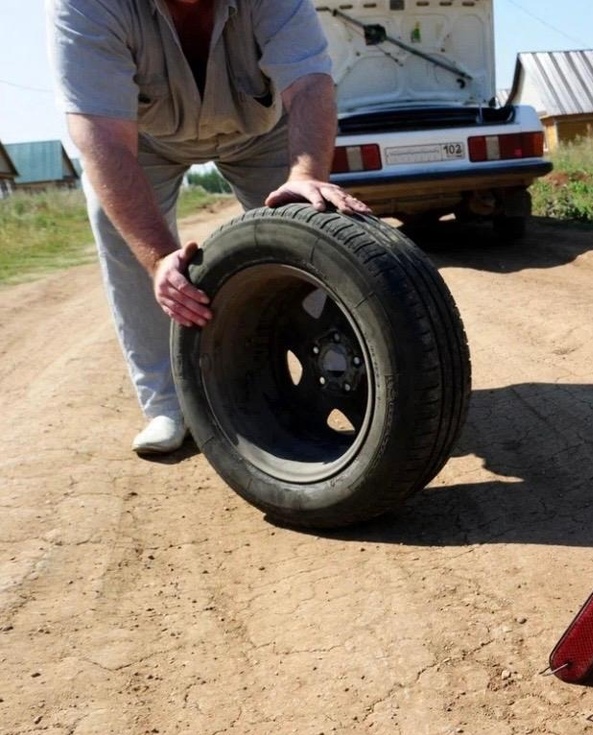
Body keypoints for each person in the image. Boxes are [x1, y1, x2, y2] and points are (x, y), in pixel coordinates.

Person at [47, 0, 370, 455]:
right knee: (116, 222)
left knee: (309, 226)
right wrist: (159, 259)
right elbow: (101, 135)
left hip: (263, 131)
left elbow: (310, 84)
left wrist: (306, 175)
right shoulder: (84, 6)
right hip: (146, 140)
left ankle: (344, 370)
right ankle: (168, 406)